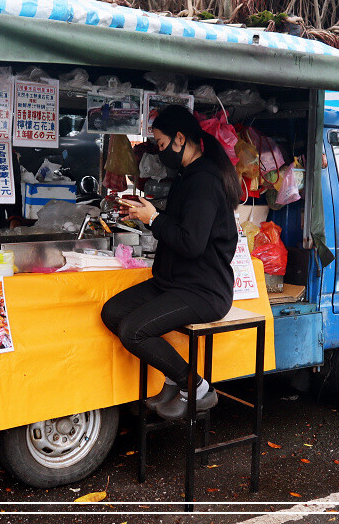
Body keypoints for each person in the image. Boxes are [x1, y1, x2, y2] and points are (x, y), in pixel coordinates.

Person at [101, 105, 240, 420]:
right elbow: (178, 222)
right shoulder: (188, 175)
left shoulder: (204, 180)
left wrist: (154, 219)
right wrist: (145, 212)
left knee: (133, 331)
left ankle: (198, 388)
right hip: (174, 282)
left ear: (180, 138)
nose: (159, 153)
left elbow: (192, 243)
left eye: (161, 145)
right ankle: (171, 375)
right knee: (113, 313)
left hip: (203, 290)